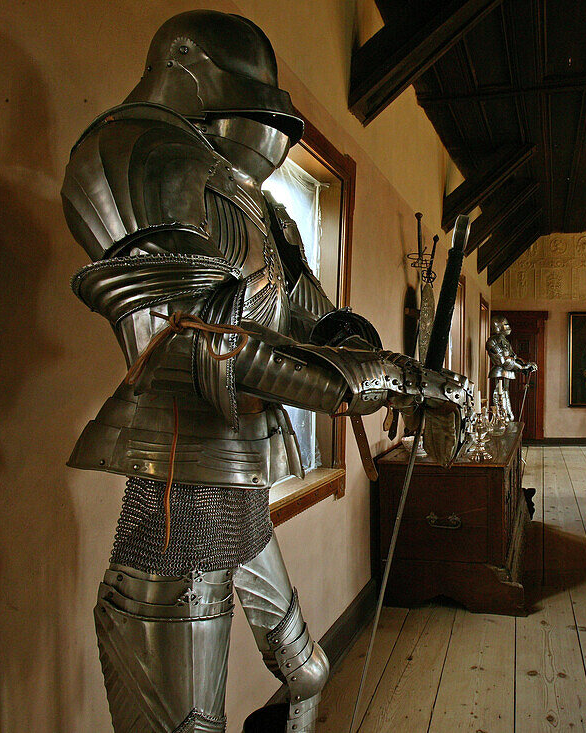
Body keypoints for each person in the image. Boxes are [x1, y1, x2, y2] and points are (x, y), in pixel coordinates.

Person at [61, 11, 472, 732]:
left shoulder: (266, 211)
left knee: (308, 668)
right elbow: (214, 346)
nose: (267, 132)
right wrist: (403, 380)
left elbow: (316, 320)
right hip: (177, 478)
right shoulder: (136, 151)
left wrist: (365, 347)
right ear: (186, 66)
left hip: (240, 479)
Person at [486, 316, 536, 422]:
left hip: (506, 373)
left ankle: (508, 417)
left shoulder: (505, 341)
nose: (508, 327)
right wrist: (522, 367)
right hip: (499, 372)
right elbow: (503, 361)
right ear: (498, 326)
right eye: (505, 324)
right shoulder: (492, 342)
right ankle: (502, 418)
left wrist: (526, 364)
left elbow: (514, 357)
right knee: (499, 396)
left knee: (505, 394)